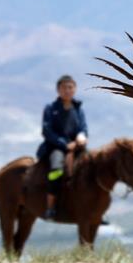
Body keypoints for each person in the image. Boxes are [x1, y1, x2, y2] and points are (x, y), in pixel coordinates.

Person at [36, 75, 88, 219]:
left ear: (75, 89)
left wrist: (82, 137)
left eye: (70, 87)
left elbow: (83, 128)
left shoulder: (78, 109)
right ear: (58, 90)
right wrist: (65, 144)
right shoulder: (51, 109)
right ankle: (51, 206)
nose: (67, 90)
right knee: (56, 171)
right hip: (56, 148)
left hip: (77, 147)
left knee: (92, 168)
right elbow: (47, 131)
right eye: (64, 87)